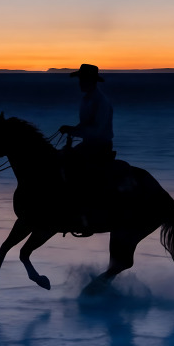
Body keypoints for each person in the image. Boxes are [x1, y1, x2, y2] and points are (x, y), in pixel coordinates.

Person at [57, 63, 115, 231]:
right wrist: (73, 129)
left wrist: (73, 130)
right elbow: (85, 124)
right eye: (80, 80)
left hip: (99, 146)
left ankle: (84, 213)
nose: (80, 83)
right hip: (89, 144)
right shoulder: (88, 99)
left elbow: (97, 130)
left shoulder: (101, 101)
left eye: (83, 80)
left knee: (75, 172)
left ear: (92, 81)